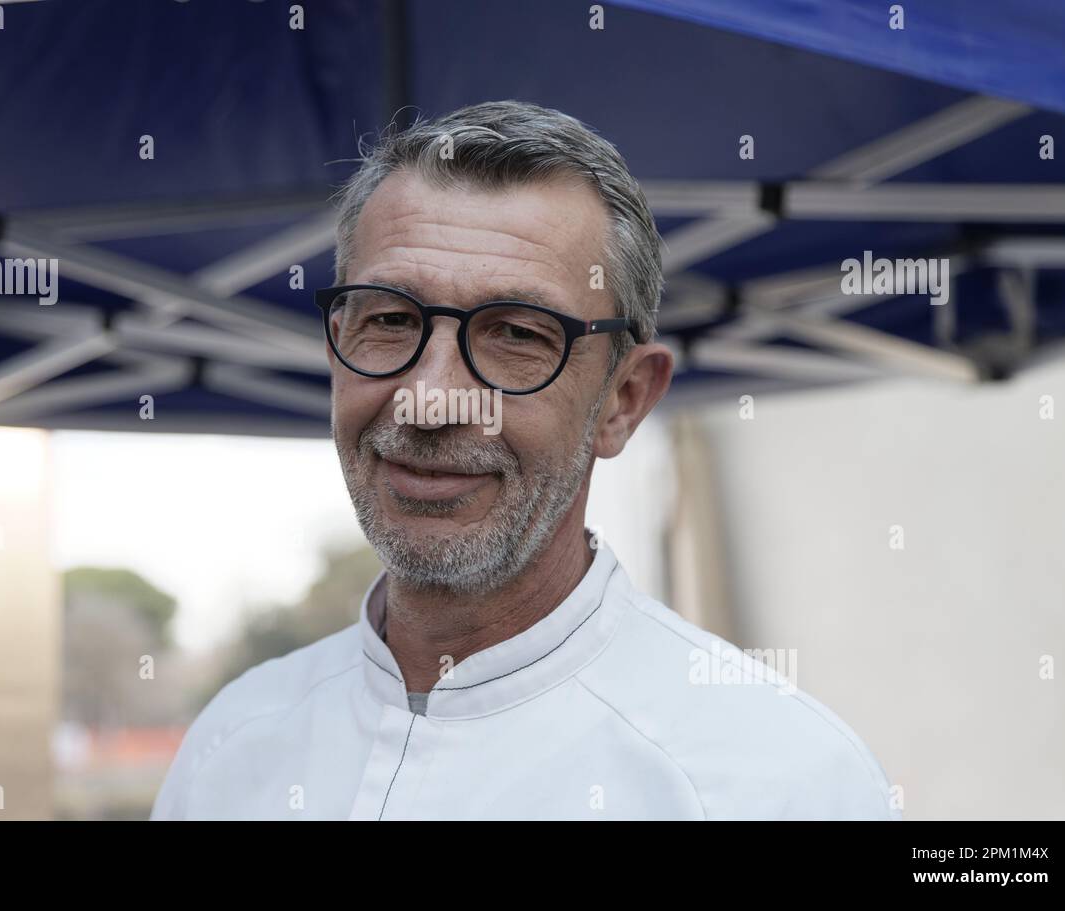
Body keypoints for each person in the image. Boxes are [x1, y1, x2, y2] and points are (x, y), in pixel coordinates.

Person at [152, 100, 899, 820]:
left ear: (624, 399)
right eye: (389, 319)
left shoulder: (777, 783)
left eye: (515, 334)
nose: (431, 398)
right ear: (334, 348)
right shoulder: (233, 744)